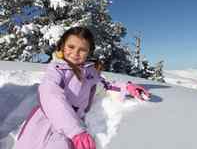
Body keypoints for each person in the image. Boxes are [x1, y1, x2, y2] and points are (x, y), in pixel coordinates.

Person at [13, 26, 150, 149]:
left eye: (82, 49)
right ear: (62, 46)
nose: (75, 53)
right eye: (71, 47)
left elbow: (105, 85)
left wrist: (127, 87)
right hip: (48, 122)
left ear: (89, 52)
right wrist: (76, 131)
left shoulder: (90, 72)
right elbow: (50, 94)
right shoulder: (56, 69)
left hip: (73, 124)